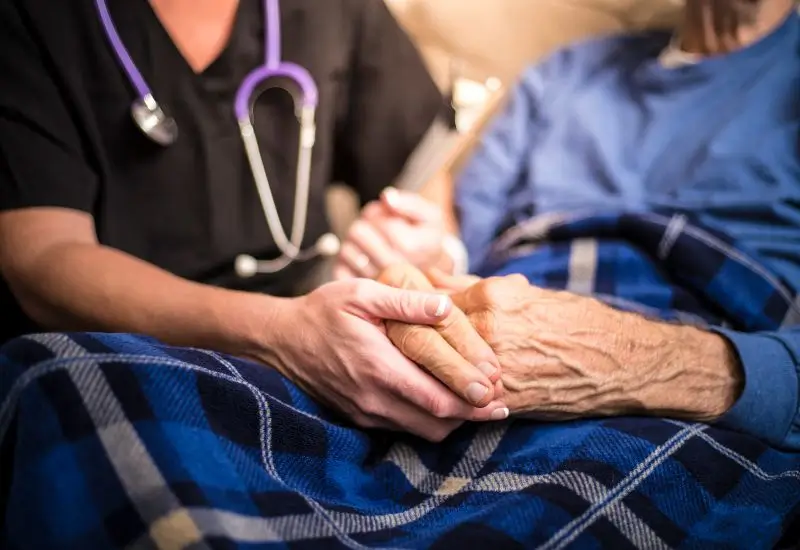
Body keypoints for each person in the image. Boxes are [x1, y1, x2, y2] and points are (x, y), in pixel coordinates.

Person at [0, 0, 510, 442]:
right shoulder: (31, 19)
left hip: (323, 342)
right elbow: (41, 258)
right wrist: (280, 336)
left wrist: (428, 245)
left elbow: (418, 171)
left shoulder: (336, 12)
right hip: (116, 353)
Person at [336, 0, 800, 450]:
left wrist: (639, 362)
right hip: (502, 331)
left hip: (704, 361)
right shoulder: (565, 72)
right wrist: (425, 254)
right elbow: (463, 241)